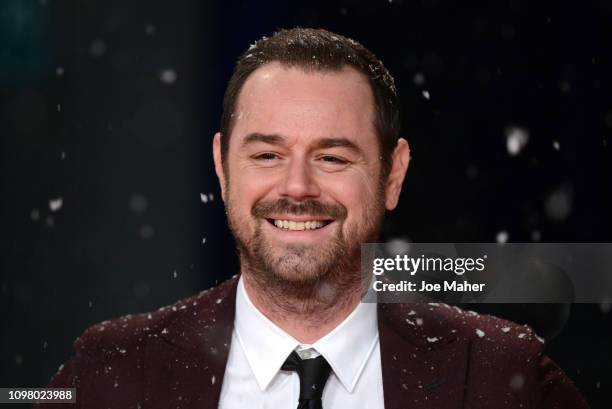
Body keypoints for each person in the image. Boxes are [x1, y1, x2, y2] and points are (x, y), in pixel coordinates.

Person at [37, 28, 589, 409]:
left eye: (331, 157)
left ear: (392, 175)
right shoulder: (110, 372)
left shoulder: (501, 376)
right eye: (267, 155)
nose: (296, 188)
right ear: (221, 167)